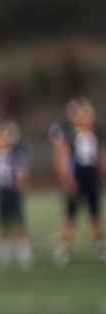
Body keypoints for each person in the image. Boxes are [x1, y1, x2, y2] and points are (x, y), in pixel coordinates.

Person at [50, 98, 106, 265]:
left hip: (91, 175)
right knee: (71, 214)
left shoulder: (96, 133)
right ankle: (64, 248)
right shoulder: (68, 133)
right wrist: (68, 177)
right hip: (77, 174)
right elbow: (64, 156)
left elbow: (100, 156)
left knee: (95, 213)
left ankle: (101, 247)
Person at [0, 121, 32, 269]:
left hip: (12, 189)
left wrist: (20, 186)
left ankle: (23, 249)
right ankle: (5, 248)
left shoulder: (17, 153)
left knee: (18, 218)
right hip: (0, 190)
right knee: (2, 220)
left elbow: (21, 173)